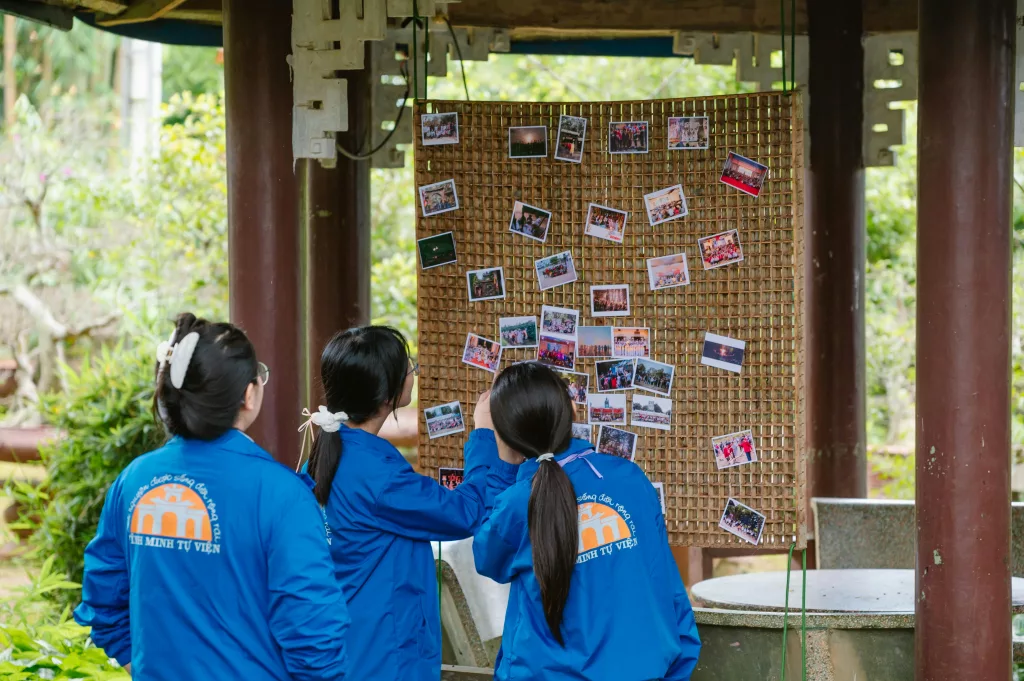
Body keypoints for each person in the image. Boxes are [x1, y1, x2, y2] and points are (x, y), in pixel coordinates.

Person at [75, 313, 351, 680]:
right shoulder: (282, 494)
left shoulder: (135, 480)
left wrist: (138, 664)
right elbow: (314, 634)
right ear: (249, 394)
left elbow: (103, 599)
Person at [472, 362, 701, 680]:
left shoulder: (516, 504)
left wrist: (496, 458)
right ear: (574, 411)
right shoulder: (629, 479)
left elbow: (487, 557)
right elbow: (668, 588)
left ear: (506, 439)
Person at [303, 326, 503, 681]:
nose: (414, 371)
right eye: (409, 365)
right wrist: (485, 434)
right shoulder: (377, 475)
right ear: (387, 394)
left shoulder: (324, 457)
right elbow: (463, 513)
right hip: (383, 656)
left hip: (348, 645)